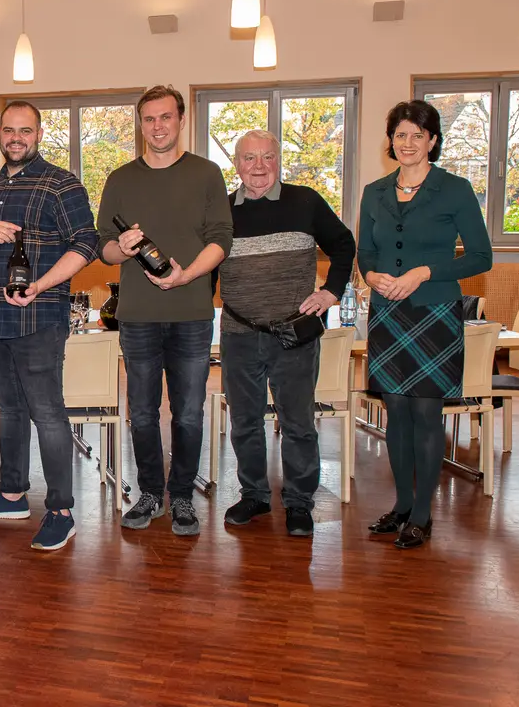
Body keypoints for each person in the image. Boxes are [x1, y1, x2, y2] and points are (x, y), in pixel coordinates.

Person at [0, 100, 98, 552]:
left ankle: (61, 512)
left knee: (48, 414)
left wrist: (40, 285)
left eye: (25, 130)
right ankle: (12, 496)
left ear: (38, 134)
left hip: (39, 319)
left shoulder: (61, 183)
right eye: (8, 130)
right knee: (10, 410)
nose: (16, 138)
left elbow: (87, 243)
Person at [97, 85, 232, 537]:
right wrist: (121, 246)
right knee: (142, 413)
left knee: (189, 414)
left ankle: (183, 497)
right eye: (149, 119)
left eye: (166, 117)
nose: (158, 127)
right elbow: (104, 250)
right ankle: (151, 493)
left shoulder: (206, 173)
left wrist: (186, 275)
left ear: (181, 120)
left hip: (192, 313)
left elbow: (221, 239)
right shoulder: (120, 179)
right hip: (138, 317)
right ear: (141, 124)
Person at [359, 100, 491, 549]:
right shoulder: (374, 192)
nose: (408, 143)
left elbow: (481, 257)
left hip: (434, 312)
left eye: (418, 135)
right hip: (387, 312)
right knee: (394, 410)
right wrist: (371, 275)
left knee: (425, 413)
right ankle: (401, 506)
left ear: (433, 140)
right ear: (391, 140)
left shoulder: (454, 189)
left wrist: (424, 272)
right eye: (400, 134)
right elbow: (366, 251)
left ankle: (422, 514)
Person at [216, 130, 356, 537]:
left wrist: (331, 292)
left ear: (279, 161)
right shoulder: (221, 212)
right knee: (244, 422)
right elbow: (206, 267)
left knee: (298, 423)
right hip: (239, 334)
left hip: (294, 335)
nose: (259, 166)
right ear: (236, 164)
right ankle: (254, 495)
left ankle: (299, 502)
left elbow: (344, 244)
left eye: (267, 157)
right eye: (249, 158)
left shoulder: (305, 201)